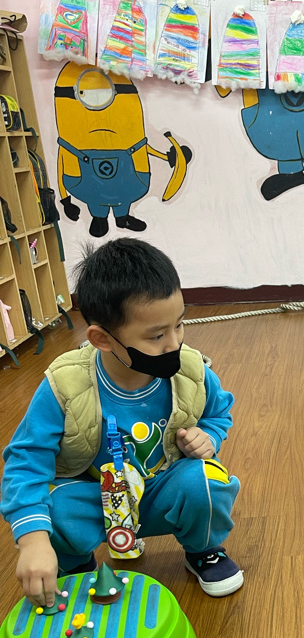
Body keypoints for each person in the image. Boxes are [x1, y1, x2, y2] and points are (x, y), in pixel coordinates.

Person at [1, 238, 243, 606]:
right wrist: (33, 540)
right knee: (57, 506)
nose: (174, 344)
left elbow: (218, 413)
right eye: (157, 335)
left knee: (206, 482)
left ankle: (203, 551)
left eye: (179, 325)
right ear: (102, 339)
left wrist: (208, 435)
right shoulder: (65, 384)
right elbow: (25, 461)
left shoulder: (191, 370)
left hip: (161, 489)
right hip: (99, 498)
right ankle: (75, 565)